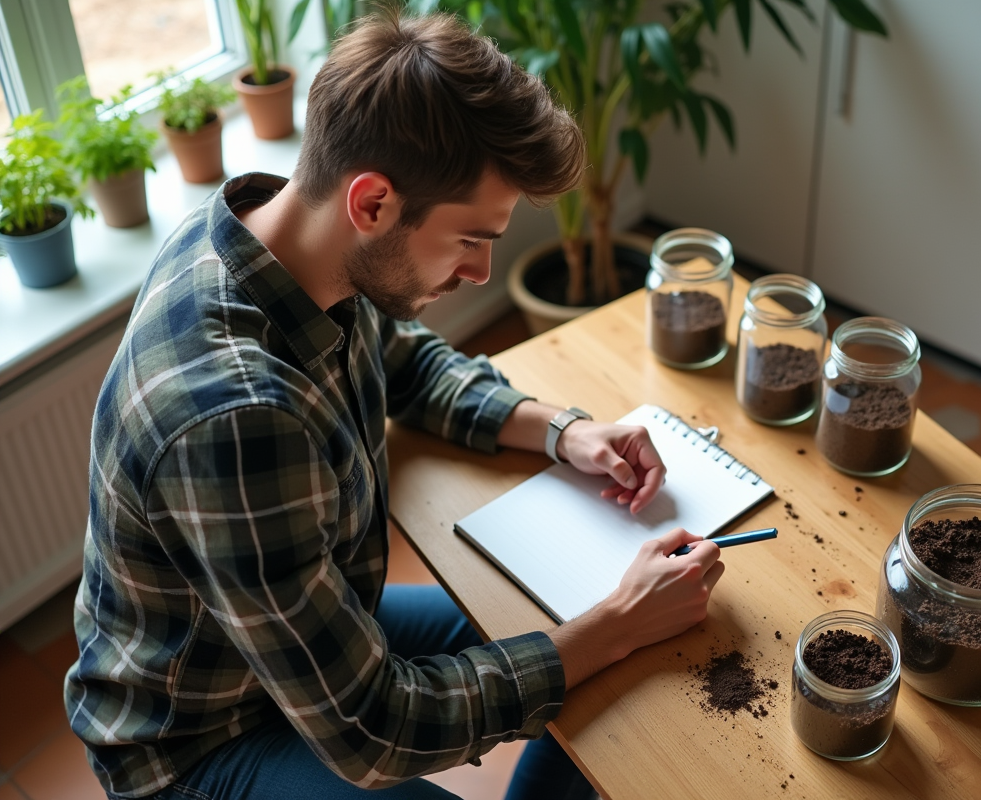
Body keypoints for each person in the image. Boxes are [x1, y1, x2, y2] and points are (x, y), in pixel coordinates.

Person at [65, 9, 726, 800]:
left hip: (300, 634)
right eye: (470, 239)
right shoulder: (237, 417)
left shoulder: (287, 242)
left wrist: (565, 431)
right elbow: (373, 732)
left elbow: (402, 361)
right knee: (605, 634)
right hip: (203, 731)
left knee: (597, 635)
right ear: (373, 202)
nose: (480, 273)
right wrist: (615, 624)